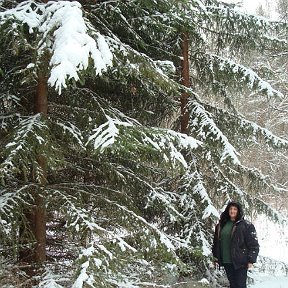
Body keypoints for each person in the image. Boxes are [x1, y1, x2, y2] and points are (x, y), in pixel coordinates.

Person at [212, 201, 259, 288]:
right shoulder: (221, 225)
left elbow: (253, 244)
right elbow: (216, 243)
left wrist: (251, 260)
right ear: (227, 210)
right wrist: (216, 257)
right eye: (230, 209)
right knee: (233, 284)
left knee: (240, 285)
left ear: (238, 211)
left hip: (240, 261)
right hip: (226, 260)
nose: (232, 211)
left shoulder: (246, 225)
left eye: (235, 209)